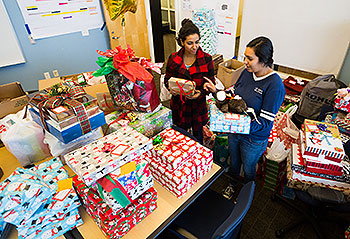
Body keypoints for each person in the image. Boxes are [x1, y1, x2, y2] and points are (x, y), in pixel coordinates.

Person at [207, 36, 285, 186]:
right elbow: (234, 97)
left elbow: (264, 123)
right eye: (245, 57)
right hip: (235, 131)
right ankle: (232, 185)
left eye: (250, 58)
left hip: (253, 138)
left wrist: (236, 124)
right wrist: (217, 92)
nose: (245, 62)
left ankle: (246, 193)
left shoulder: (274, 86)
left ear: (263, 59)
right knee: (234, 162)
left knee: (249, 168)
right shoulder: (247, 72)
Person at [164, 19, 216, 144]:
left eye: (197, 42)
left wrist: (201, 92)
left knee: (198, 138)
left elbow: (211, 83)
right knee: (180, 137)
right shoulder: (173, 58)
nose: (194, 47)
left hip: (198, 106)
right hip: (180, 105)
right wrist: (173, 89)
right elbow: (167, 81)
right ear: (181, 42)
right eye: (190, 43)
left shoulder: (207, 59)